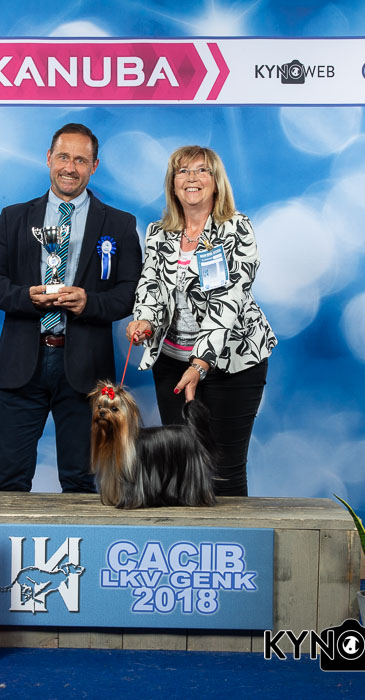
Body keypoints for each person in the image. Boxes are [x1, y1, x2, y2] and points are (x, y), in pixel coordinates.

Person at [0, 123, 142, 493]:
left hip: (86, 371)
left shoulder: (119, 223)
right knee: (10, 480)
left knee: (81, 483)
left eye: (80, 160)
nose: (70, 167)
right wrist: (26, 297)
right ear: (49, 158)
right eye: (63, 157)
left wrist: (89, 302)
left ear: (94, 166)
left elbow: (131, 293)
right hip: (21, 364)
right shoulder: (14, 217)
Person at [126, 145, 276, 497]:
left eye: (201, 170)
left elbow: (227, 300)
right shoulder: (158, 232)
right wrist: (145, 320)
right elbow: (150, 285)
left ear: (216, 181)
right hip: (173, 363)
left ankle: (234, 535)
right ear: (172, 183)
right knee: (182, 468)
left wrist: (200, 363)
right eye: (183, 171)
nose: (191, 178)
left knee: (222, 471)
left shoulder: (236, 228)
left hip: (233, 362)